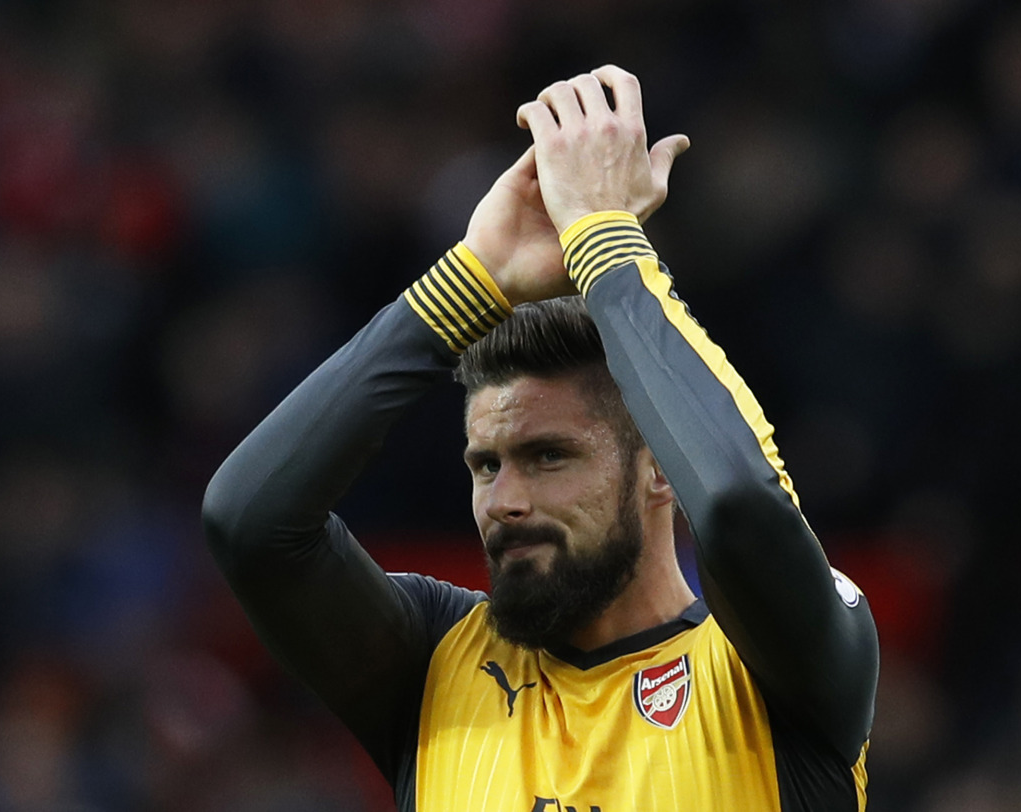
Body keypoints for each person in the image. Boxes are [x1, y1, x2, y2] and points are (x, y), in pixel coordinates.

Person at [202, 65, 878, 811]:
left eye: (549, 456)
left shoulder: (771, 671)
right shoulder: (432, 665)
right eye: (485, 465)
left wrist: (606, 244)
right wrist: (472, 282)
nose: (505, 501)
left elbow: (741, 510)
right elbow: (250, 522)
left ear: (660, 468)